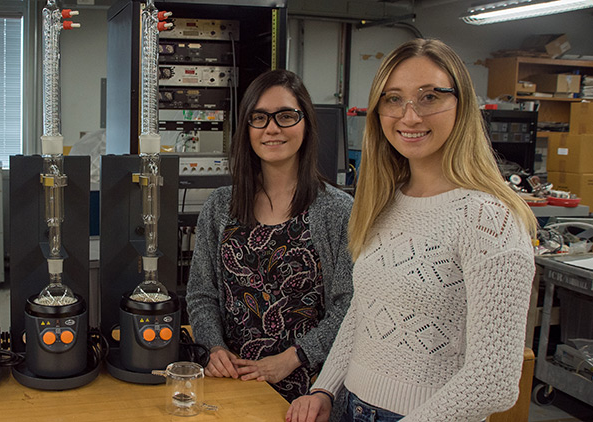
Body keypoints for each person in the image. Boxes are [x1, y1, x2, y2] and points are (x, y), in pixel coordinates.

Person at [287, 38, 537, 422]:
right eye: (393, 99)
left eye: (430, 97)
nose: (410, 117)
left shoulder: (490, 219)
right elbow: (363, 311)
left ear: (461, 105)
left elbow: (494, 381)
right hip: (348, 405)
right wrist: (325, 387)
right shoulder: (384, 203)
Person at [185, 69, 354, 403]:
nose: (272, 128)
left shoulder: (337, 211)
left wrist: (292, 358)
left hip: (308, 395)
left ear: (306, 124)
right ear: (246, 128)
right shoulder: (220, 206)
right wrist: (213, 347)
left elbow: (349, 306)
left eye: (286, 116)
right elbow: (201, 294)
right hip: (232, 385)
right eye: (259, 118)